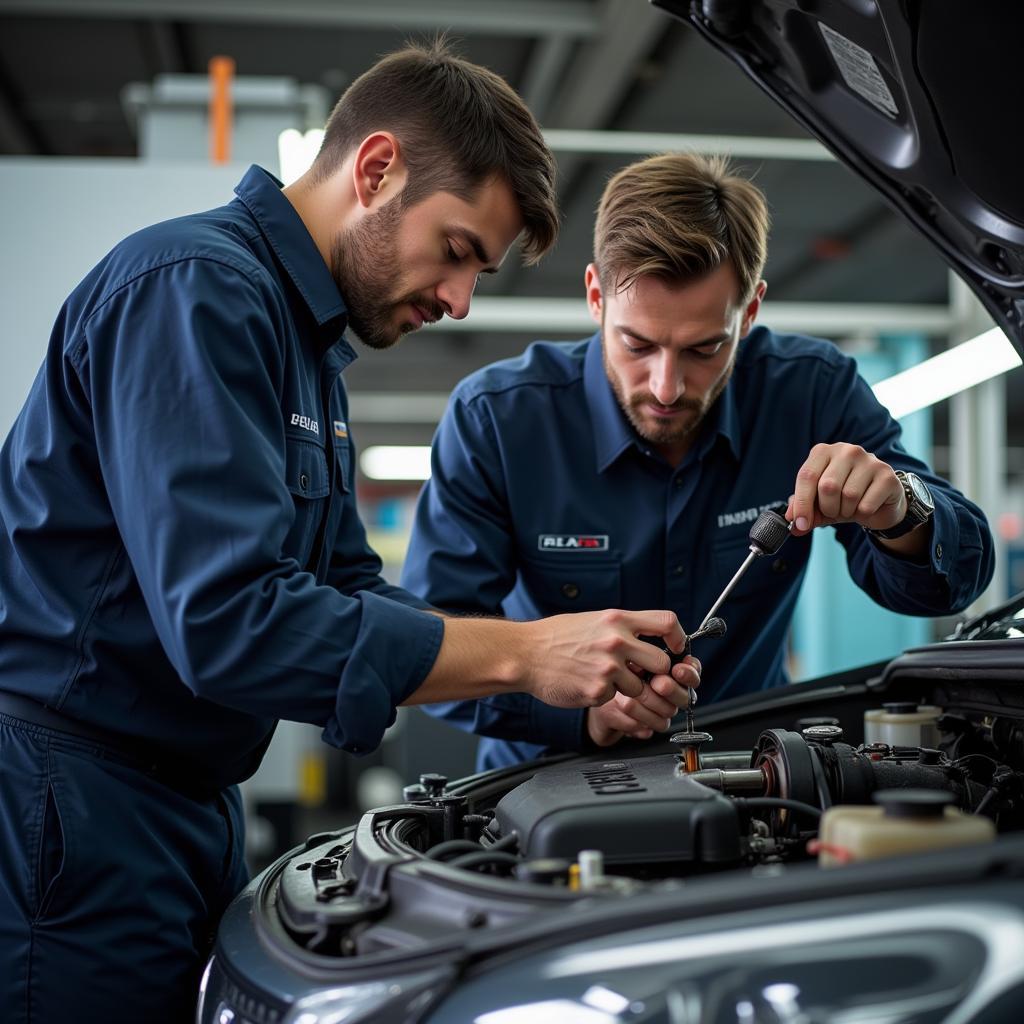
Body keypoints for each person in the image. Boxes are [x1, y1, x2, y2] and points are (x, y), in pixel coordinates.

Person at [0, 45, 698, 1023]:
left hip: (181, 806)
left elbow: (343, 589)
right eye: (456, 250)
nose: (459, 300)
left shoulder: (305, 351)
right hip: (74, 810)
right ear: (375, 170)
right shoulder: (196, 290)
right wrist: (528, 652)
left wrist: (573, 696)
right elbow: (233, 622)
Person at [401, 151, 996, 771]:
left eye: (705, 348)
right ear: (596, 297)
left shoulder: (811, 391)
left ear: (752, 311)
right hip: (544, 778)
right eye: (638, 344)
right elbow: (432, 644)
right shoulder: (498, 419)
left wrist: (901, 510)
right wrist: (578, 713)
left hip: (756, 775)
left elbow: (952, 583)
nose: (665, 386)